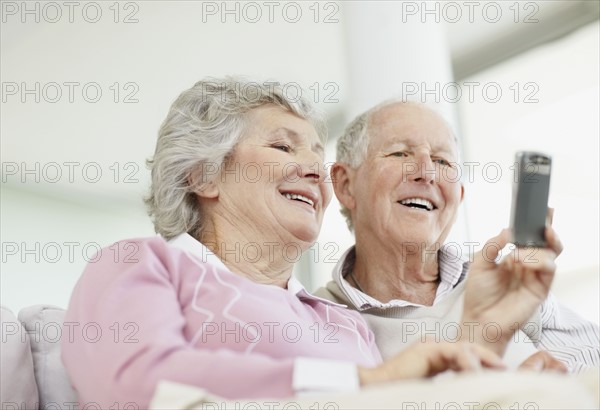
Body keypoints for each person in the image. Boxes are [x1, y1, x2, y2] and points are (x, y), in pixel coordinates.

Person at [61, 79, 506, 409]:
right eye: (284, 147)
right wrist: (364, 383)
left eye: (316, 152)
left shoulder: (343, 322)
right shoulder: (143, 263)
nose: (315, 168)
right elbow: (139, 387)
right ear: (204, 175)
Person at [316, 100, 600, 372]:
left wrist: (562, 385)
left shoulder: (505, 281)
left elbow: (589, 361)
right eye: (400, 153)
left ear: (458, 197)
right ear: (345, 185)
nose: (427, 173)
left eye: (442, 161)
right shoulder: (316, 318)